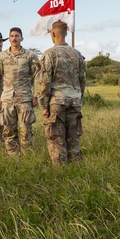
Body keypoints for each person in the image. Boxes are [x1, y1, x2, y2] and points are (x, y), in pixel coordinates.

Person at [38, 20, 86, 165]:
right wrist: (79, 98)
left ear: (52, 33)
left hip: (57, 102)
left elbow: (45, 82)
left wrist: (43, 105)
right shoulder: (77, 54)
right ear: (66, 33)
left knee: (57, 139)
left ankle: (60, 173)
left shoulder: (49, 54)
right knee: (73, 138)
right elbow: (82, 80)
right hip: (74, 101)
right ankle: (76, 169)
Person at [0, 27, 40, 156]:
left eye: (17, 36)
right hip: (7, 98)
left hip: (24, 98)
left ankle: (27, 157)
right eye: (12, 36)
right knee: (8, 130)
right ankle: (13, 157)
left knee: (26, 130)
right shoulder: (2, 56)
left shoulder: (30, 56)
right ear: (9, 38)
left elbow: (37, 76)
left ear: (22, 38)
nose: (14, 38)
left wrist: (35, 95)